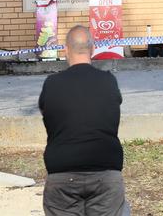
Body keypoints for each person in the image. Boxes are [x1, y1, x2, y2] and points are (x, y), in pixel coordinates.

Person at [39, 25, 131, 216]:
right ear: (93, 48)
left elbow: (46, 113)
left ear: (66, 49)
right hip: (106, 173)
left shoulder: (52, 84)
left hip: (61, 174)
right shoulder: (108, 81)